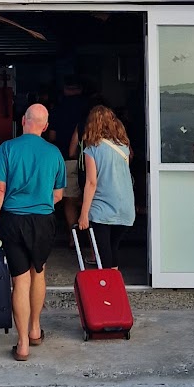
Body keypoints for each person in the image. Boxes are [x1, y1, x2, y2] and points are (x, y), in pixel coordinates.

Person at [0, 103, 66, 361]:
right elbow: (58, 195)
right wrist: (39, 205)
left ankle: (22, 345)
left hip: (13, 220)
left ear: (23, 120)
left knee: (20, 279)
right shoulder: (54, 153)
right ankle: (35, 329)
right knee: (38, 271)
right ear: (45, 126)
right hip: (43, 221)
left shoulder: (7, 148)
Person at [77, 104, 135, 269]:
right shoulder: (124, 147)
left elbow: (91, 182)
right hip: (125, 207)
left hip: (103, 208)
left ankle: (107, 288)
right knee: (113, 248)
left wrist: (84, 214)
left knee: (103, 252)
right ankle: (114, 285)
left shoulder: (91, 150)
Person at [48, 77, 90, 236]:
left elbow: (52, 137)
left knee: (70, 200)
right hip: (91, 160)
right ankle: (90, 236)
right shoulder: (88, 110)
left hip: (66, 159)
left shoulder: (57, 110)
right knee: (91, 197)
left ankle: (74, 238)